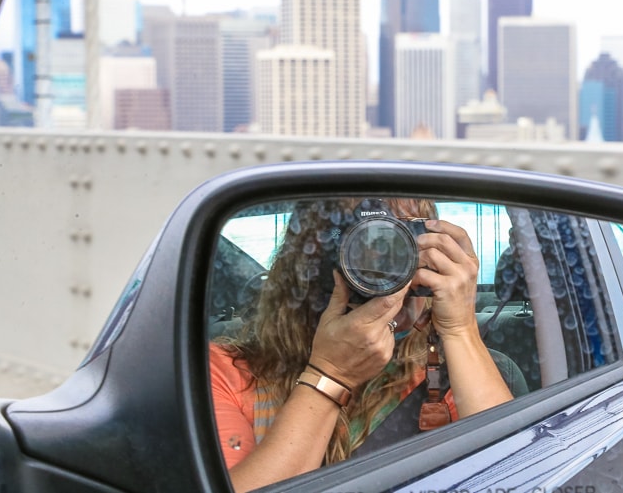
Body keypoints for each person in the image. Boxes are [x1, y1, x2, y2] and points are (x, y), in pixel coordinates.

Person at [210, 197, 526, 493]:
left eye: (400, 241)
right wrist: (330, 374)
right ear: (310, 262)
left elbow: (517, 477)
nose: (383, 265)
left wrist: (459, 330)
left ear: (430, 251)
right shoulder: (225, 372)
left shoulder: (450, 379)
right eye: (356, 240)